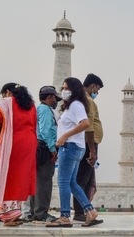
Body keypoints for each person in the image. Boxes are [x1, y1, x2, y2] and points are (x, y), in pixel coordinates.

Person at [47, 77, 101, 228]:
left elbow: (85, 123)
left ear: (74, 89)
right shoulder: (72, 106)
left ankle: (64, 216)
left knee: (63, 182)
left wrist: (65, 136)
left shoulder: (76, 105)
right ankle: (90, 211)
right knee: (71, 182)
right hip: (74, 147)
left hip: (70, 147)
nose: (63, 91)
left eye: (66, 88)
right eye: (63, 88)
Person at [0, 83, 37, 226]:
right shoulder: (31, 105)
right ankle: (15, 212)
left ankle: (6, 216)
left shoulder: (6, 102)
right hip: (29, 143)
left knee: (8, 177)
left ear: (8, 92)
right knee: (21, 178)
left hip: (12, 144)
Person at [73, 73, 104, 222]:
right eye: (97, 89)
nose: (97, 92)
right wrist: (92, 150)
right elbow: (89, 125)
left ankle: (84, 210)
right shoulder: (88, 101)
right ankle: (81, 212)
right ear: (93, 86)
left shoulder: (82, 100)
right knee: (82, 179)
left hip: (86, 143)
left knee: (83, 178)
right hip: (88, 143)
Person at [28, 86, 61, 223]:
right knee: (44, 181)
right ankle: (41, 212)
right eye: (55, 98)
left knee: (38, 181)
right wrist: (53, 149)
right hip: (45, 148)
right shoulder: (45, 110)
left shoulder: (40, 109)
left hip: (39, 146)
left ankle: (35, 212)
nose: (56, 101)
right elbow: (46, 131)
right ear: (49, 97)